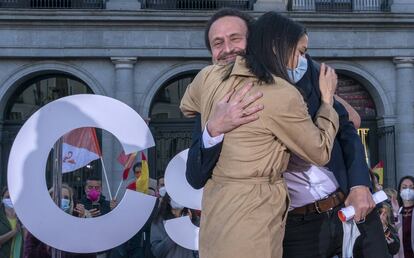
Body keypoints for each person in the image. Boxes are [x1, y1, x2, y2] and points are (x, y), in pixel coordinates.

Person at [185, 10, 389, 258]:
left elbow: (350, 124)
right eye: (218, 43)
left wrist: (359, 185)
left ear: (259, 40)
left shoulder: (307, 71)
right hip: (291, 225)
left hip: (347, 204)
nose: (227, 49)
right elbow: (195, 176)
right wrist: (213, 129)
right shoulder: (215, 97)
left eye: (235, 38)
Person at [23, 183, 95, 258]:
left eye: (66, 198)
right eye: (58, 196)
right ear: (50, 199)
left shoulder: (76, 223)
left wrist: (82, 223)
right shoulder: (38, 225)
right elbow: (29, 253)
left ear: (70, 202)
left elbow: (88, 251)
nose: (62, 200)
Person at [150, 193, 198, 258]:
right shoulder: (159, 221)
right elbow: (157, 252)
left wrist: (188, 225)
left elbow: (200, 247)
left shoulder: (194, 219)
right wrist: (177, 231)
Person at [0, 187, 23, 258]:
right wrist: (13, 232)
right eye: (7, 197)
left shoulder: (23, 217)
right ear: (2, 199)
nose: (10, 199)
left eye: (12, 197)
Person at [395, 176, 414, 258]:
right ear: (399, 191)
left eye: (412, 187)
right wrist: (395, 214)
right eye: (404, 187)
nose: (408, 190)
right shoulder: (396, 211)